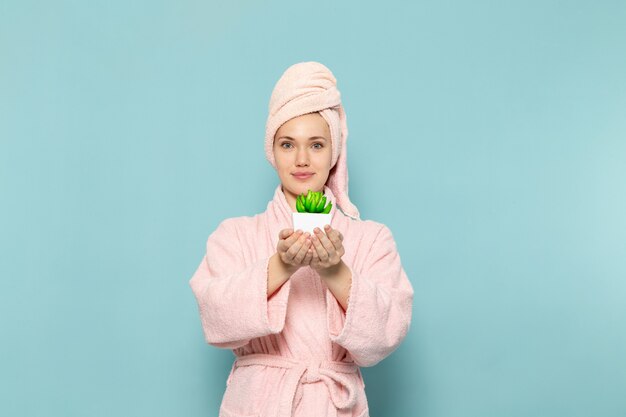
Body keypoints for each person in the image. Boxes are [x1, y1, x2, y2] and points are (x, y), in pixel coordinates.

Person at [189, 61, 414, 417]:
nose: (302, 159)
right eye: (288, 144)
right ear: (272, 151)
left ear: (335, 152)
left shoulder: (372, 239)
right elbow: (214, 319)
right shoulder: (234, 235)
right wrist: (281, 266)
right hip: (258, 404)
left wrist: (335, 272)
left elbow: (385, 335)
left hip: (333, 404)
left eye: (317, 144)